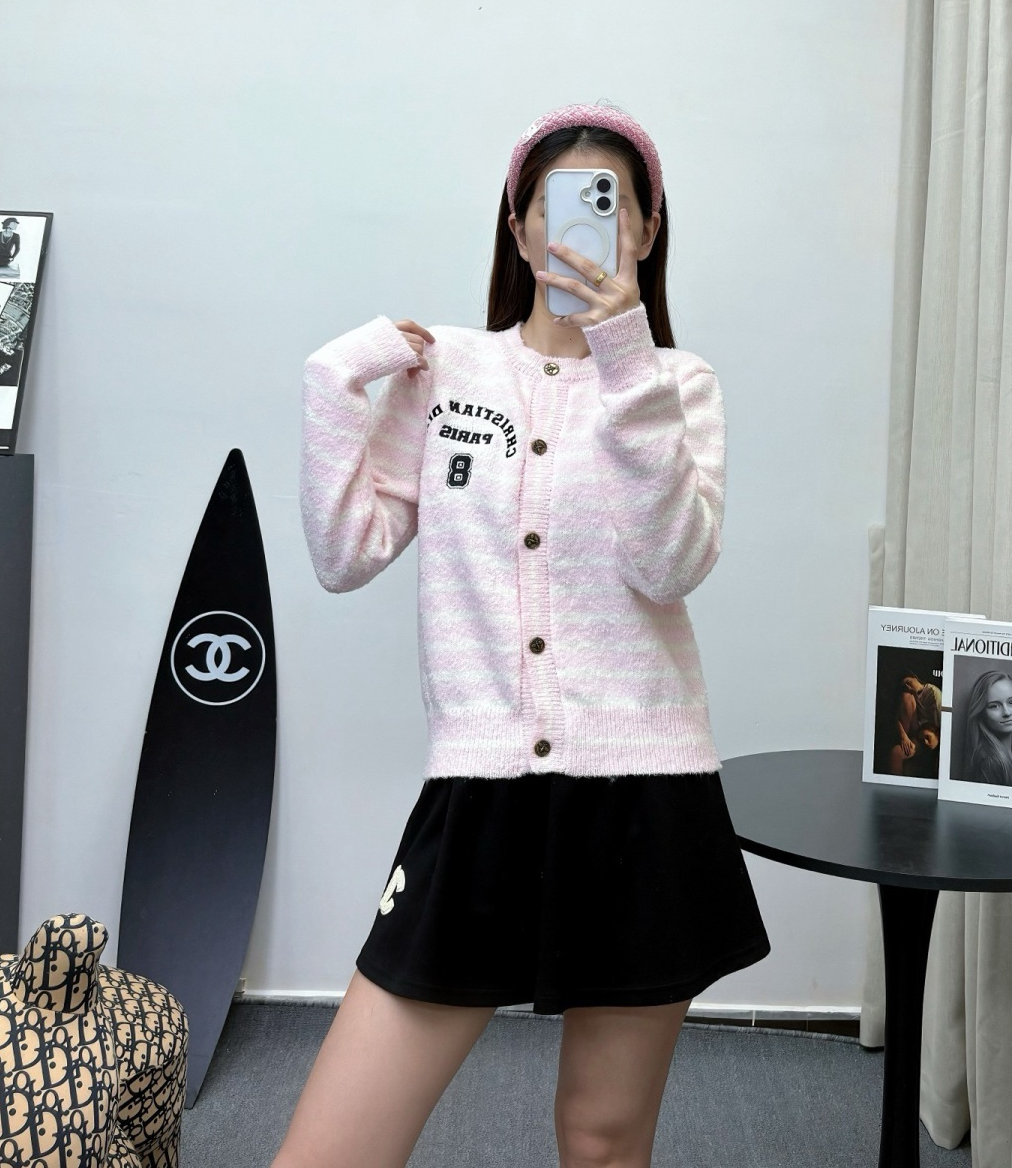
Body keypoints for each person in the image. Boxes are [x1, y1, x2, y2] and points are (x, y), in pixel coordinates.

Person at [276, 103, 771, 1168]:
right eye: (554, 204)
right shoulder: (446, 373)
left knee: (601, 1142)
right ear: (518, 227)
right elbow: (345, 551)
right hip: (481, 789)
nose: (580, 226)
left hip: (645, 802)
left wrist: (626, 357)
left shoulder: (677, 385)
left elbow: (670, 564)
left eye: (609, 204)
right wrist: (336, 377)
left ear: (646, 230)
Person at [961, 669, 1012, 789]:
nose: (1007, 712)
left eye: (1011, 702)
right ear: (981, 713)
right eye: (994, 706)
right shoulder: (988, 762)